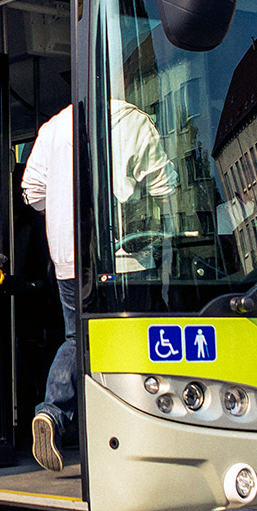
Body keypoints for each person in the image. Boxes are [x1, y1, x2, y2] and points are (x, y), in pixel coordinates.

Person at [21, 98, 178, 472]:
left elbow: (32, 192)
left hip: (69, 259)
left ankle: (53, 413)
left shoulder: (53, 126)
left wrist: (64, 205)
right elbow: (164, 188)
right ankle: (134, 427)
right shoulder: (134, 119)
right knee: (131, 342)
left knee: (78, 337)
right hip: (127, 257)